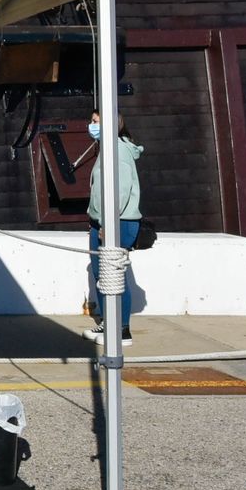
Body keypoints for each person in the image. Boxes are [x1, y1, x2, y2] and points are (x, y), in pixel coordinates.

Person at [86, 108, 144, 346]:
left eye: (96, 121)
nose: (91, 125)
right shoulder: (109, 149)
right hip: (106, 221)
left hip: (114, 223)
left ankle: (121, 329)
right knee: (104, 275)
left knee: (114, 276)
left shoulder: (117, 151)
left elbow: (119, 190)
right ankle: (109, 323)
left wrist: (108, 224)